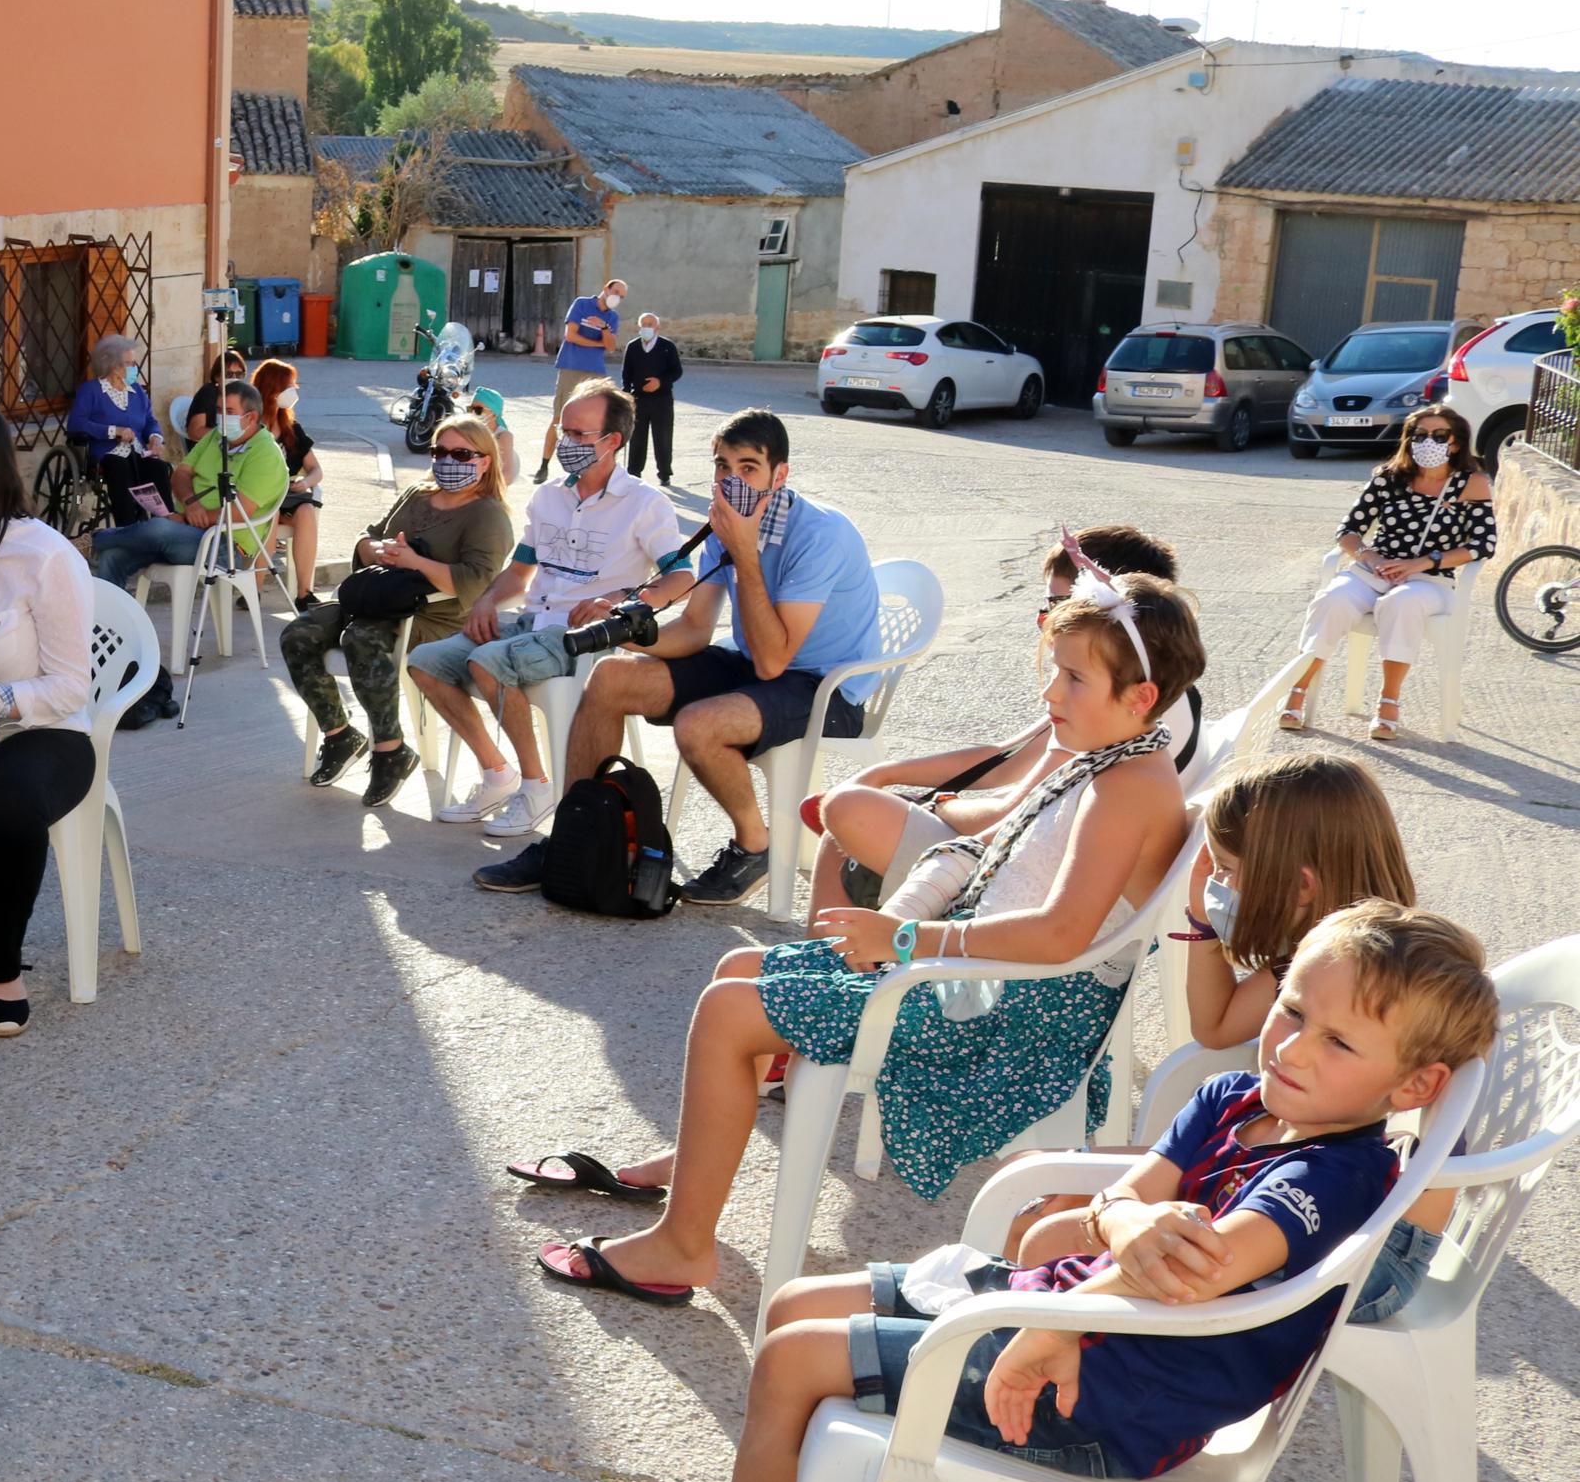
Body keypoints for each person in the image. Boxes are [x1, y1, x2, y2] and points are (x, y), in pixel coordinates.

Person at [582, 902, 1496, 1482]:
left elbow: (1200, 1273)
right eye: (1293, 1008)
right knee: (792, 1307)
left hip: (1112, 1399)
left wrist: (1073, 1305)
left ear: (1414, 1085)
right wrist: (1123, 1229)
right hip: (1066, 1319)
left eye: (1338, 1042)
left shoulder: (1335, 1174)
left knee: (792, 1361)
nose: (1292, 1045)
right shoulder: (1230, 1098)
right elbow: (1129, 1205)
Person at [510, 573, 1201, 1298]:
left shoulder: (1128, 788)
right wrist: (900, 916)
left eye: (1072, 678)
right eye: (1055, 673)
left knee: (730, 1010)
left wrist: (905, 945)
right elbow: (979, 850)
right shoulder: (1104, 761)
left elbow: (1060, 936)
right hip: (988, 986)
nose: (1049, 694)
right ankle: (691, 1173)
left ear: (1141, 698)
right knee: (743, 967)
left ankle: (683, 1247)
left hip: (1006, 1021)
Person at [971, 751, 1426, 1482]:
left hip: (1335, 1211)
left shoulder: (1362, 970)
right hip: (1299, 1162)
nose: (1211, 884)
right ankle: (1016, 1397)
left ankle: (1058, 1472)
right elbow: (1222, 1032)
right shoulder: (1336, 943)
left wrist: (1205, 929)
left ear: (1296, 884)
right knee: (1048, 1225)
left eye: (1225, 874)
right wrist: (1202, 922)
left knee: (1048, 1236)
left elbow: (1217, 1029)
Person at [476, 409, 886, 904]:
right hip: (754, 659)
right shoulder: (723, 527)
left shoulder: (820, 534)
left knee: (698, 723)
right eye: (722, 467)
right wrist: (621, 631)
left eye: (749, 468)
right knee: (610, 679)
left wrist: (747, 552)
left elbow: (776, 662)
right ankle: (574, 834)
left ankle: (756, 845)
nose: (732, 480)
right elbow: (694, 630)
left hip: (825, 685)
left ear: (780, 475)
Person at [799, 526, 1196, 926]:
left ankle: (839, 964)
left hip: (1022, 882)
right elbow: (1002, 759)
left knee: (848, 812)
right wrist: (884, 774)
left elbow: (1014, 815)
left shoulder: (1117, 728)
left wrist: (940, 804)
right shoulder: (1121, 704)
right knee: (852, 814)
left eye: (1064, 603)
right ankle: (834, 963)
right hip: (1023, 863)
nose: (1049, 618)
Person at [409, 380, 692, 838]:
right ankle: (498, 773)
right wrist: (486, 600)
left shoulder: (645, 503)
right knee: (425, 662)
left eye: (580, 435)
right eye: (564, 431)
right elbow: (519, 573)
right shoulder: (548, 496)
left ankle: (538, 786)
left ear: (612, 441)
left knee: (487, 662)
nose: (567, 444)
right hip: (531, 622)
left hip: (584, 638)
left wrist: (622, 601)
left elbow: (682, 577)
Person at [284, 412, 514, 809]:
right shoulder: (418, 493)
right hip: (376, 597)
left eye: (461, 454)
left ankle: (390, 751)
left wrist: (416, 563)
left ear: (485, 460)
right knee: (299, 633)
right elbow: (369, 534)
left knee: (362, 639)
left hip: (428, 616)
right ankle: (340, 735)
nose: (447, 461)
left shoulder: (486, 515)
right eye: (439, 451)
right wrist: (373, 550)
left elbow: (476, 581)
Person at [0, 405, 98, 1035]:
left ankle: (2, 967)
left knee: (11, 804)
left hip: (39, 731)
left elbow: (71, 687)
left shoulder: (43, 556)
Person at [1280, 404, 1496, 742]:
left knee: (1401, 603)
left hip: (1429, 579)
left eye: (1439, 436)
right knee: (1333, 599)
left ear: (1455, 443)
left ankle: (1388, 702)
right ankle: (1297, 689)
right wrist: (1372, 557)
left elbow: (1483, 545)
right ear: (1408, 440)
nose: (1429, 442)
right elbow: (1348, 530)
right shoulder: (1388, 477)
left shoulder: (1473, 483)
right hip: (1373, 571)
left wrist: (1422, 563)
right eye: (1420, 435)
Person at [92, 377, 288, 730]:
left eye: (228, 413)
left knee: (156, 529)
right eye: (217, 411)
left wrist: (193, 518)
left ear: (252, 418)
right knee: (114, 559)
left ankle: (97, 539)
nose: (218, 419)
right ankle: (114, 650)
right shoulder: (217, 438)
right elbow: (180, 474)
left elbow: (239, 510)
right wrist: (193, 504)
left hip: (228, 545)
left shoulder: (265, 454)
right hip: (190, 529)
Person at [64, 333, 172, 525]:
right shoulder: (91, 391)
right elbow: (76, 423)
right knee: (120, 467)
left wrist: (155, 438)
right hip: (106, 455)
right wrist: (114, 431)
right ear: (113, 366)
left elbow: (149, 420)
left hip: (137, 452)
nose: (134, 368)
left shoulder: (136, 391)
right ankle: (127, 525)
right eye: (130, 363)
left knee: (159, 468)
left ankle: (165, 522)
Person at [249, 358, 327, 607]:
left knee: (306, 511)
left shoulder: (292, 428)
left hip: (290, 495)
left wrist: (306, 484)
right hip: (258, 498)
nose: (294, 390)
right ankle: (254, 590)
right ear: (273, 390)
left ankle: (304, 593)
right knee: (270, 514)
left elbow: (316, 470)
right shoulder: (251, 428)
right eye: (289, 385)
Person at [539, 275, 625, 481]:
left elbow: (611, 346)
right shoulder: (582, 304)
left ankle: (586, 468)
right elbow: (571, 336)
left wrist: (603, 329)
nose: (617, 298)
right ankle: (544, 464)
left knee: (593, 422)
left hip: (595, 371)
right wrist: (598, 343)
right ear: (606, 288)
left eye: (622, 296)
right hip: (571, 366)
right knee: (559, 417)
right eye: (615, 292)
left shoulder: (612, 318)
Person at [618, 311, 682, 487]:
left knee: (662, 437)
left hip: (662, 400)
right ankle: (634, 472)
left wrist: (660, 382)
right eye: (644, 324)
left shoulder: (667, 346)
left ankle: (664, 473)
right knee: (637, 437)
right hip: (639, 399)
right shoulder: (632, 347)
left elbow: (677, 371)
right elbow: (626, 373)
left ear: (657, 328)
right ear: (639, 327)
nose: (647, 327)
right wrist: (626, 394)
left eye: (650, 324)